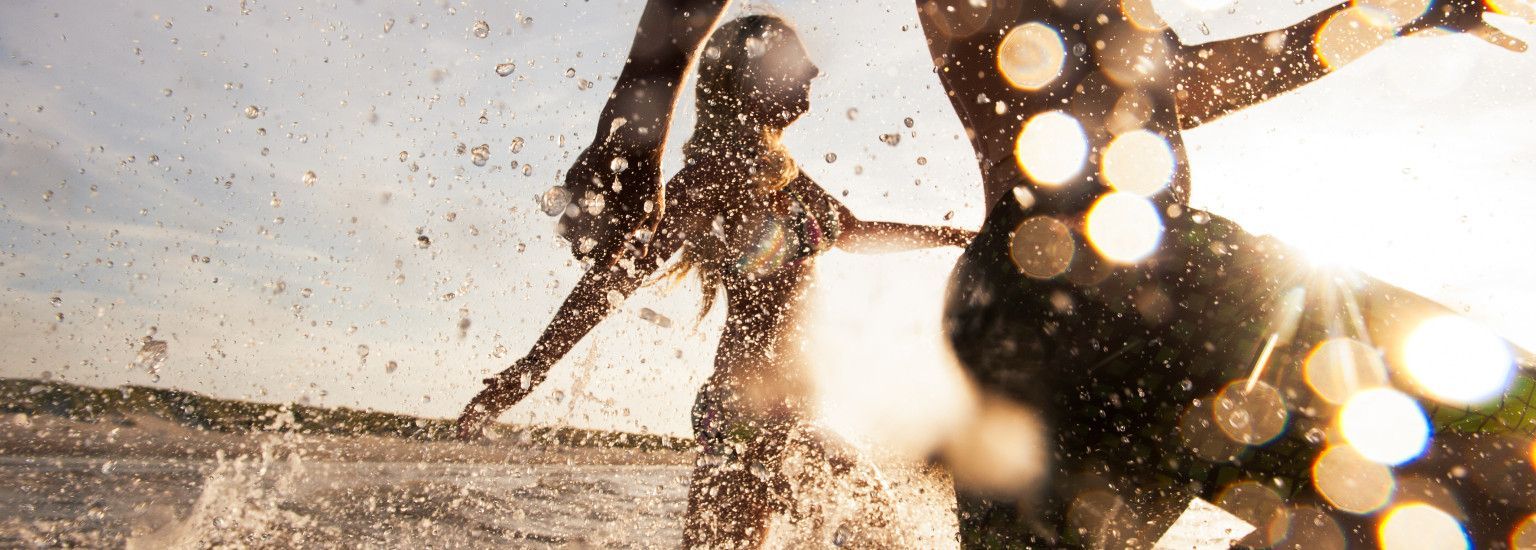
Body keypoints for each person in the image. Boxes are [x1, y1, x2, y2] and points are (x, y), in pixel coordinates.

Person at [548, 0, 1536, 547]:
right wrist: (634, 120)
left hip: (1138, 286)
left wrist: (1379, 18)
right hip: (1089, 297)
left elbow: (1179, 81)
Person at [456, 15, 974, 548]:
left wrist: (961, 236)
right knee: (883, 534)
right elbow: (620, 275)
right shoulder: (712, 176)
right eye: (794, 59)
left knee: (882, 533)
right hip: (744, 417)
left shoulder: (785, 177)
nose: (814, 67)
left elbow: (857, 232)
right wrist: (530, 369)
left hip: (794, 411)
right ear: (750, 77)